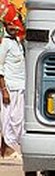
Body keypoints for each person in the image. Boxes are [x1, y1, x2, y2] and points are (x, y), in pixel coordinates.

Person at [0, 18, 25, 160]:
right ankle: (7, 150)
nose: (14, 27)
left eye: (16, 24)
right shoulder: (5, 43)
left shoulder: (18, 42)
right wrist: (4, 90)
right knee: (7, 119)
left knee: (18, 118)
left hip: (20, 86)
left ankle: (7, 148)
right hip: (10, 87)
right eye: (10, 24)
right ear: (5, 25)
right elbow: (0, 67)